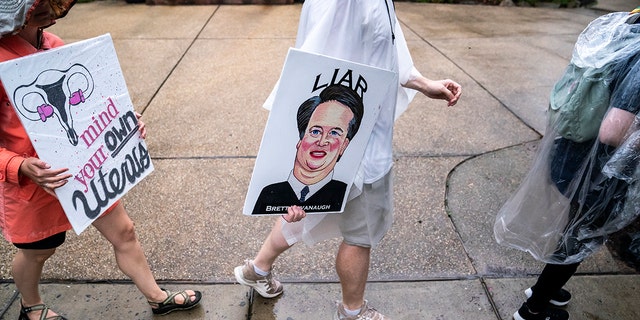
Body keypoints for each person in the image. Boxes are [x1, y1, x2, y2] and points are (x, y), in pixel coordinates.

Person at [235, 1, 462, 319]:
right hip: (359, 149)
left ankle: (256, 270)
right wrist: (292, 146)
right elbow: (314, 68)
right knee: (360, 235)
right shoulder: (348, 3)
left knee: (309, 209)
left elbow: (384, 47)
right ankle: (353, 312)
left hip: (357, 142)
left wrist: (424, 84)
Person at [0, 1, 202, 319]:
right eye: (38, 3)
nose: (51, 9)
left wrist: (123, 122)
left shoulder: (54, 45)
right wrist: (20, 166)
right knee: (38, 251)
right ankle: (31, 305)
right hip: (34, 182)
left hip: (86, 168)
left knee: (125, 232)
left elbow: (88, 109)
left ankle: (156, 297)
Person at [494, 7, 640, 320]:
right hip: (597, 172)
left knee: (574, 229)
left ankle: (542, 289)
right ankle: (532, 310)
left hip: (569, 154)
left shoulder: (625, 25)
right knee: (580, 236)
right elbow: (613, 131)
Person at [252, 84, 364, 214]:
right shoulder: (267, 194)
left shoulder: (344, 194)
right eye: (315, 131)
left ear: (344, 146)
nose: (322, 142)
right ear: (300, 138)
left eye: (334, 133)